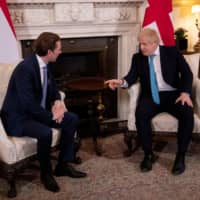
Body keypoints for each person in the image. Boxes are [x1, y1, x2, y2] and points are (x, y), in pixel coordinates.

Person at [1, 32, 87, 193]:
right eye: (59, 49)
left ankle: (62, 165)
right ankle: (46, 174)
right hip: (19, 117)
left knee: (71, 119)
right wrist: (51, 116)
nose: (61, 52)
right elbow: (28, 105)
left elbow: (53, 88)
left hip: (37, 112)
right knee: (45, 132)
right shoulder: (25, 69)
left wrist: (57, 102)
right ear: (49, 52)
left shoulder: (45, 63)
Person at [105, 28, 194, 175]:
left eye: (145, 44)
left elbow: (186, 73)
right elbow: (131, 77)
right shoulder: (137, 57)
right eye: (140, 44)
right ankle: (148, 154)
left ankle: (181, 155)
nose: (142, 47)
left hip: (173, 94)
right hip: (151, 96)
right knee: (141, 114)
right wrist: (120, 82)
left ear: (155, 43)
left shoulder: (172, 52)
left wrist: (185, 93)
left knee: (187, 113)